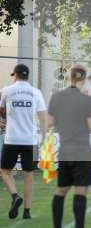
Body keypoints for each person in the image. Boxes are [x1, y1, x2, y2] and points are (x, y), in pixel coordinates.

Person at [47, 65, 91, 228]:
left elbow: (49, 123)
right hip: (82, 151)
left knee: (61, 190)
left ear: (68, 77)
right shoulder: (87, 99)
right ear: (84, 79)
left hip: (64, 150)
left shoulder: (56, 97)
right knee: (80, 190)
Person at [0, 64, 47, 220]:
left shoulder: (7, 90)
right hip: (30, 139)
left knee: (5, 172)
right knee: (28, 175)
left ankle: (15, 196)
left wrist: (4, 121)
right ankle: (27, 212)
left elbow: (1, 112)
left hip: (12, 138)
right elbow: (42, 118)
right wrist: (44, 137)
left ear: (16, 75)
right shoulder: (36, 92)